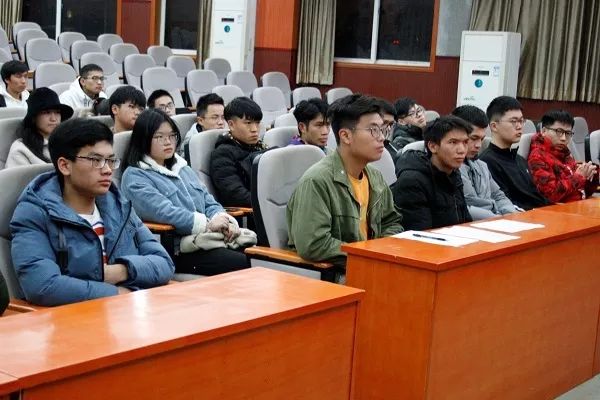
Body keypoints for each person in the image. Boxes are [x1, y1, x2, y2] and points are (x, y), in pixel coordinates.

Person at [10, 118, 174, 306]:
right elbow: (42, 286)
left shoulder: (118, 204)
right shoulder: (34, 212)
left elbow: (164, 263)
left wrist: (120, 271)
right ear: (65, 165)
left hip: (132, 309)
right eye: (96, 160)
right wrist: (115, 294)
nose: (107, 170)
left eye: (110, 160)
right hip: (77, 316)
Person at [121, 109, 251, 276]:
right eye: (159, 137)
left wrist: (223, 219)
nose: (168, 142)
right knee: (244, 263)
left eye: (172, 136)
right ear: (143, 139)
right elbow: (165, 212)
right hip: (177, 249)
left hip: (209, 240)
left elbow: (208, 200)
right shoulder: (135, 176)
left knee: (255, 255)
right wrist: (207, 224)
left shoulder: (182, 167)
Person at [287, 94, 403, 267]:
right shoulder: (317, 181)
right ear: (346, 136)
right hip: (338, 272)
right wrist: (368, 255)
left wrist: (380, 251)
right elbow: (314, 244)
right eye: (373, 130)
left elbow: (391, 222)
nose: (382, 138)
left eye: (383, 129)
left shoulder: (375, 177)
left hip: (372, 265)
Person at [391, 115, 472, 230]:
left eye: (465, 142)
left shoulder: (453, 173)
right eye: (453, 142)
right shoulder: (412, 182)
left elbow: (465, 221)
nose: (462, 150)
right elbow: (420, 234)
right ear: (433, 146)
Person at [478, 96, 551, 210]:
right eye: (513, 121)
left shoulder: (520, 159)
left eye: (521, 121)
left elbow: (536, 196)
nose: (519, 126)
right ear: (494, 126)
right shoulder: (487, 162)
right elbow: (506, 204)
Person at [452, 105, 518, 219]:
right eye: (473, 138)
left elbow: (499, 196)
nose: (478, 145)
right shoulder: (449, 168)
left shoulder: (481, 165)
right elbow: (467, 205)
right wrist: (497, 217)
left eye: (481, 139)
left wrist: (510, 214)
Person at [528, 109, 597, 203]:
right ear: (544, 131)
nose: (563, 138)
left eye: (568, 133)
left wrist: (590, 175)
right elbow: (550, 195)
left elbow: (582, 191)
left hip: (577, 205)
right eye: (559, 131)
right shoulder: (537, 157)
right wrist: (578, 177)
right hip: (559, 210)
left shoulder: (564, 153)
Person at [209, 97, 268, 207]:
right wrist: (270, 203)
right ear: (231, 125)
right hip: (251, 213)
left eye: (257, 123)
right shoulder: (222, 154)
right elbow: (235, 195)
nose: (254, 129)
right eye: (248, 123)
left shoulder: (260, 147)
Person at [6, 88, 73, 168]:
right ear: (34, 117)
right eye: (47, 112)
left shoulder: (67, 143)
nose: (53, 119)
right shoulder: (21, 150)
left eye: (57, 112)